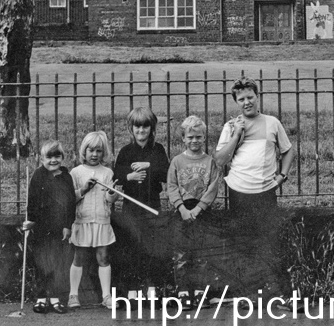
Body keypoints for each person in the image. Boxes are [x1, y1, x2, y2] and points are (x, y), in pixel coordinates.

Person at [214, 77, 296, 218]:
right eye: (241, 99)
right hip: (238, 192)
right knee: (241, 237)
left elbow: (288, 150)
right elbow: (220, 161)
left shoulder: (272, 122)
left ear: (257, 96)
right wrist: (236, 135)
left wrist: (282, 176)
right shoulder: (230, 126)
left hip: (265, 192)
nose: (247, 103)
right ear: (236, 102)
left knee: (266, 237)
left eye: (250, 97)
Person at [113, 107, 169, 299]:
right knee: (132, 245)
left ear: (151, 128)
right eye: (137, 127)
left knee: (151, 245)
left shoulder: (158, 150)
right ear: (131, 128)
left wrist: (149, 165)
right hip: (131, 205)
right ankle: (133, 288)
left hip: (152, 203)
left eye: (146, 126)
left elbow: (166, 172)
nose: (141, 131)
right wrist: (130, 175)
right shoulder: (126, 151)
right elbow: (116, 175)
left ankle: (152, 286)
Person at [21, 140, 75, 314]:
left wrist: (68, 225)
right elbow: (32, 202)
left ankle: (55, 298)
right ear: (41, 158)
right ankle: (41, 298)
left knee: (58, 264)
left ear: (62, 157)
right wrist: (30, 221)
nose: (53, 160)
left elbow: (71, 203)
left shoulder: (66, 176)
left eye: (57, 156)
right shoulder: (38, 175)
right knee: (42, 263)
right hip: (41, 227)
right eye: (49, 157)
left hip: (59, 227)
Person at [68, 130, 120, 310]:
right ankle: (73, 294)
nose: (94, 154)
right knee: (79, 257)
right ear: (84, 151)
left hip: (101, 220)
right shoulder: (76, 172)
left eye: (98, 151)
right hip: (82, 220)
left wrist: (112, 195)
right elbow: (70, 198)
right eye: (91, 150)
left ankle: (107, 296)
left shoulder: (107, 173)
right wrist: (83, 190)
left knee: (103, 257)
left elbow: (109, 199)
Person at [167, 116, 220, 219]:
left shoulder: (210, 161)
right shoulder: (177, 161)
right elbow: (172, 186)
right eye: (190, 137)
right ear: (183, 138)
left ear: (204, 137)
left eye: (198, 137)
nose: (194, 140)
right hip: (181, 209)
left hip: (203, 209)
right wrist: (182, 209)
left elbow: (213, 188)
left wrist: (199, 208)